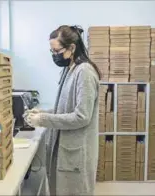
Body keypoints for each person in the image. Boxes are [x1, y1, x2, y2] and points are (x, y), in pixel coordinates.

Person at [26, 25, 101, 196]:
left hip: (76, 153)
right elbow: (64, 107)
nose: (54, 55)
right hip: (63, 148)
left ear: (72, 48)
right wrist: (43, 113)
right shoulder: (69, 69)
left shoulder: (85, 73)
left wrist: (44, 120)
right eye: (51, 51)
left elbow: (82, 117)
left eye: (57, 51)